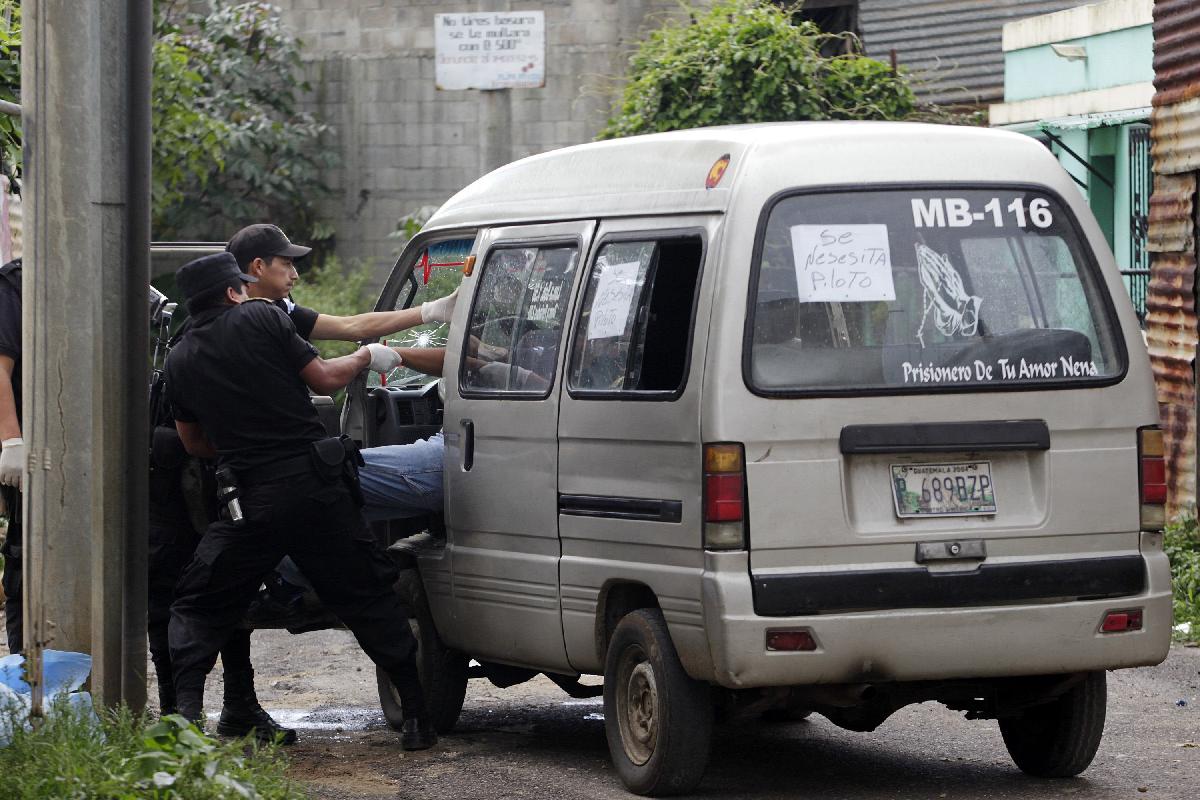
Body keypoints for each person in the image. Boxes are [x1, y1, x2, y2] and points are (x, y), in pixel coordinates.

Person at [163, 252, 436, 751]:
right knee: (367, 595)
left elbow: (193, 443)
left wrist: (243, 443)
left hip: (249, 501)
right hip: (315, 491)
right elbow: (326, 380)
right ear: (232, 292)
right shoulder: (262, 316)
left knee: (201, 603)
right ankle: (417, 717)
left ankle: (183, 722)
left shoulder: (179, 357)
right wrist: (365, 357)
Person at [0, 258, 23, 654]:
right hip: (29, 448)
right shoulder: (15, 285)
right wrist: (12, 441)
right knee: (25, 559)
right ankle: (27, 677)